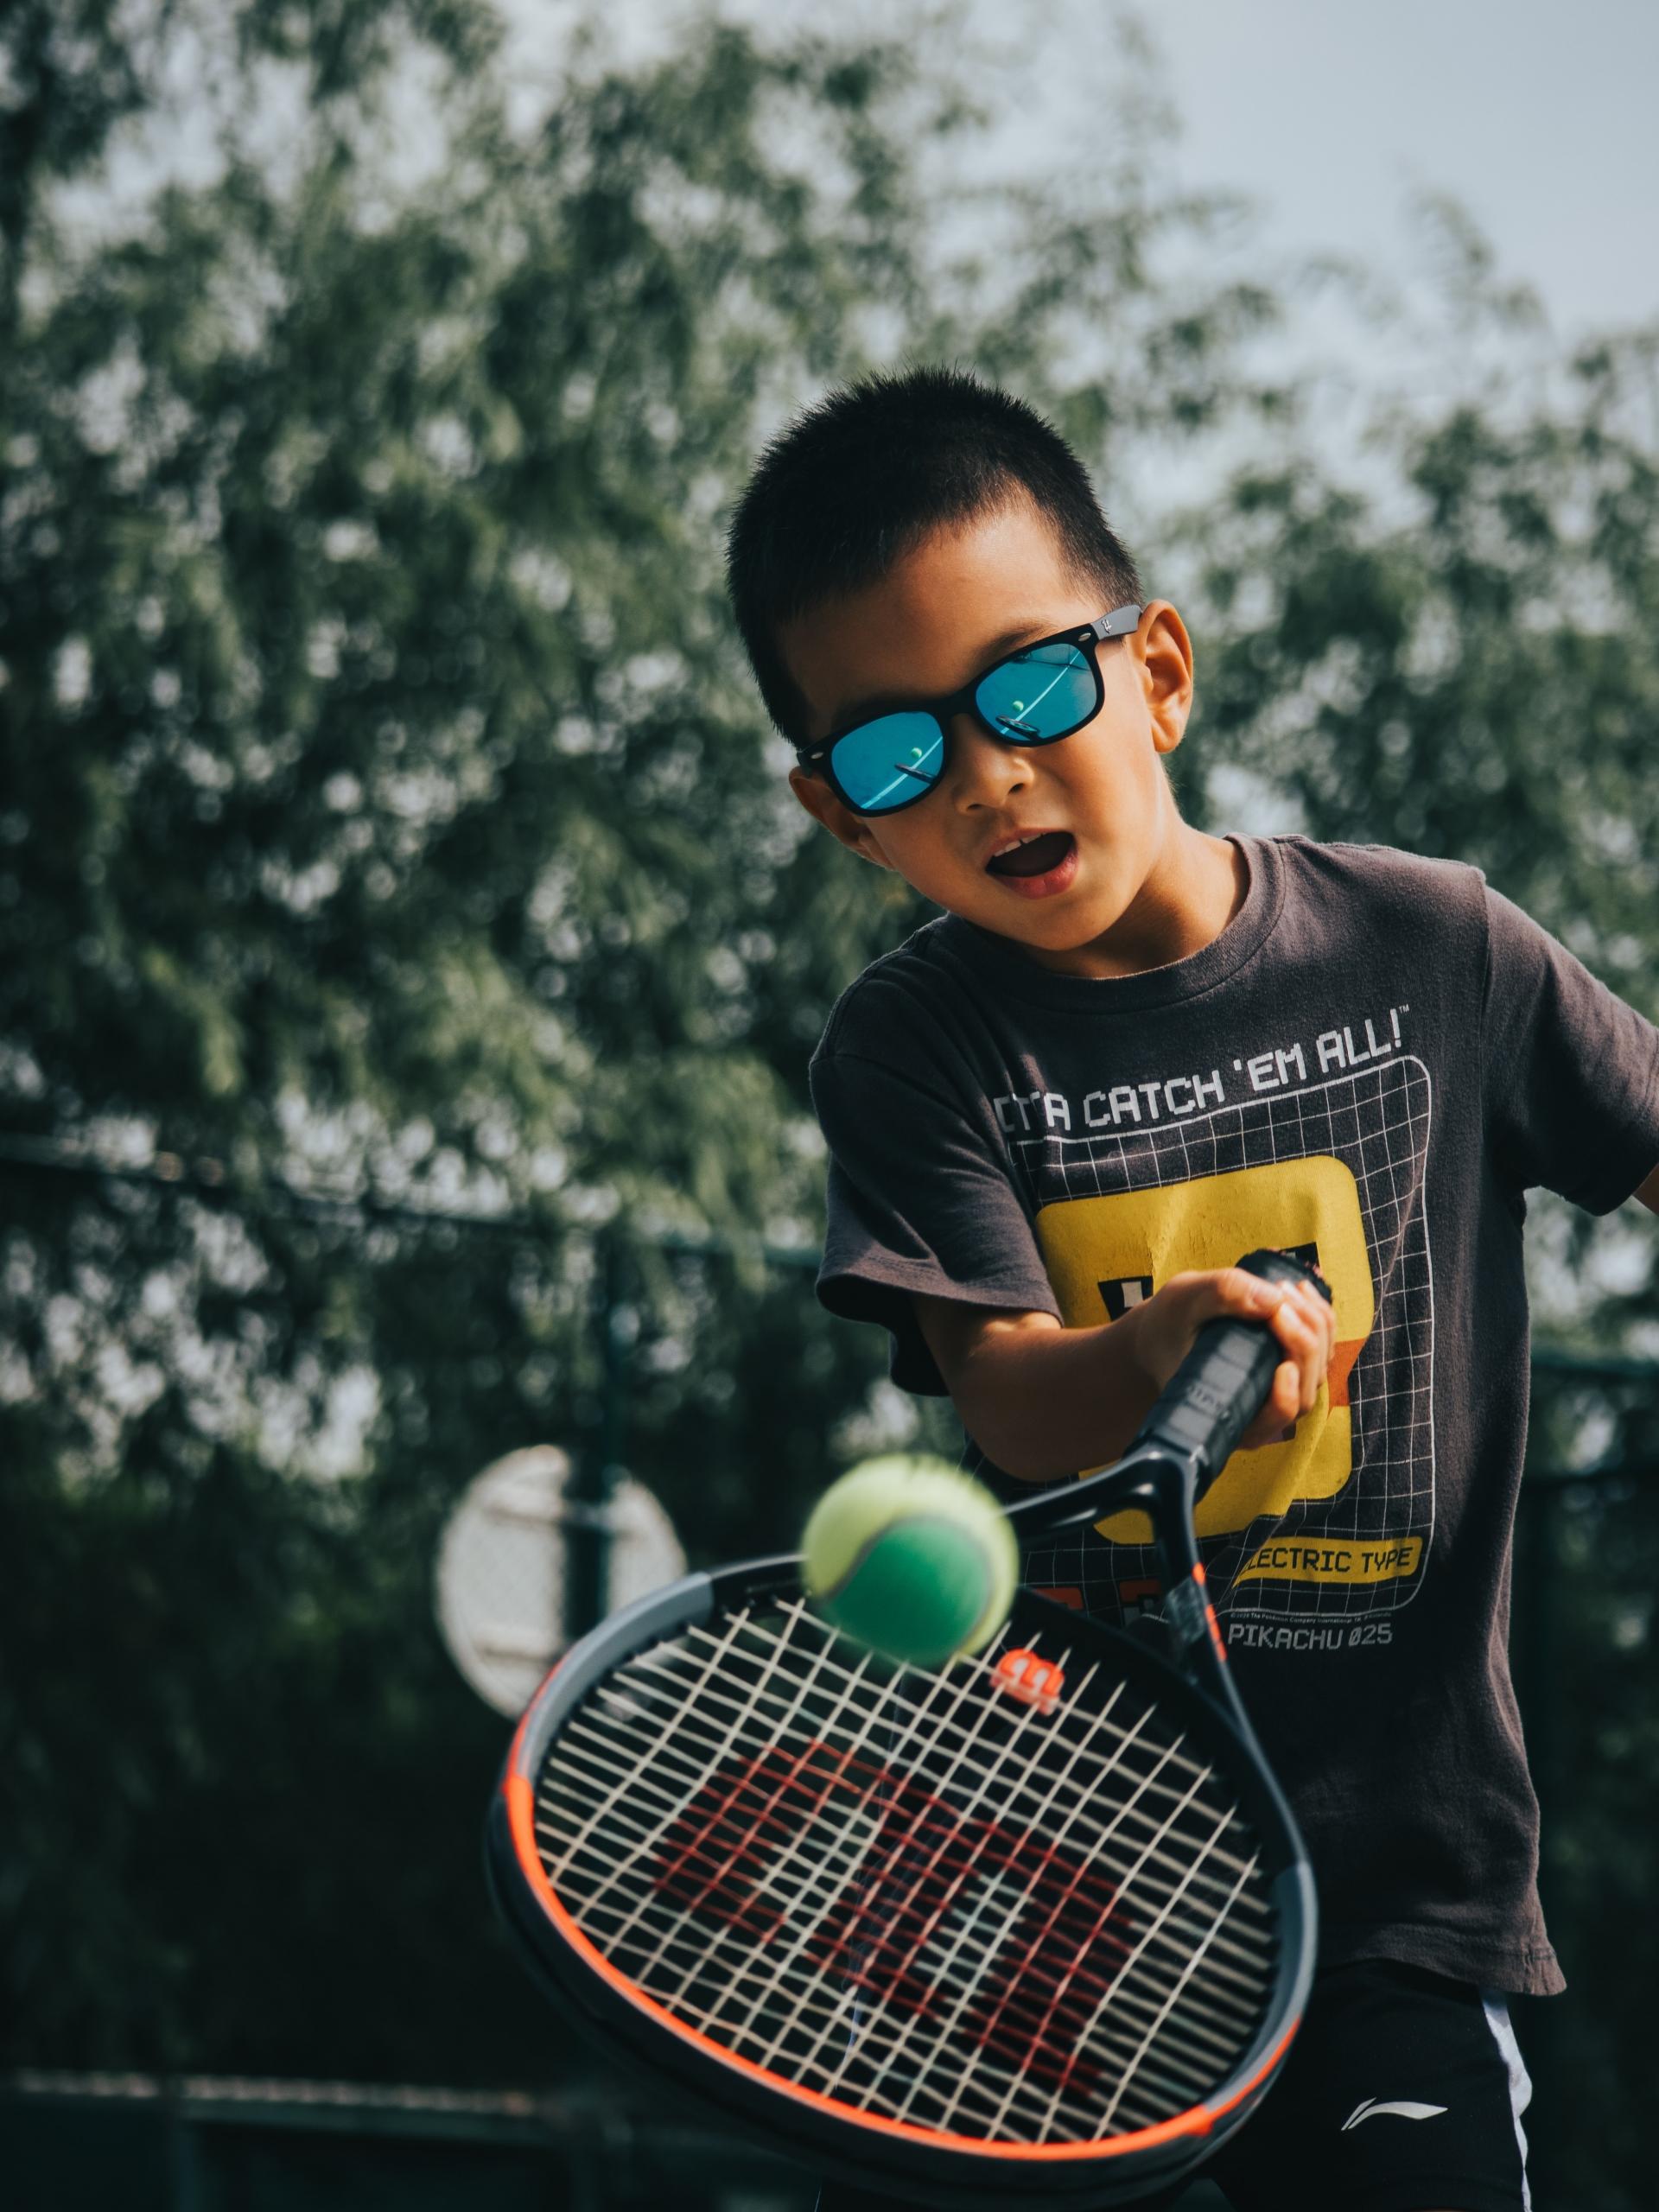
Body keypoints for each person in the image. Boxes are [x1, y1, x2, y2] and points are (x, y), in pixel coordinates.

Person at [724, 366, 1659, 2212]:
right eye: (902, 753)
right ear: (845, 815)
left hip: (1396, 1884)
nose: (988, 772)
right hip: (1051, 1872)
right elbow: (1002, 1386)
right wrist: (1150, 1348)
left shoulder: (1440, 945)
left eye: (1028, 688)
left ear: (1153, 670)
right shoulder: (912, 1051)